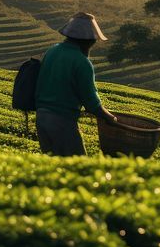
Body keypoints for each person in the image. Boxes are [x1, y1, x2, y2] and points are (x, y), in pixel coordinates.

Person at [34, 12, 118, 156]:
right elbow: (91, 102)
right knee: (76, 167)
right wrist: (110, 118)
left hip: (41, 118)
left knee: (53, 165)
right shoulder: (82, 62)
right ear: (88, 40)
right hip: (62, 122)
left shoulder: (52, 51)